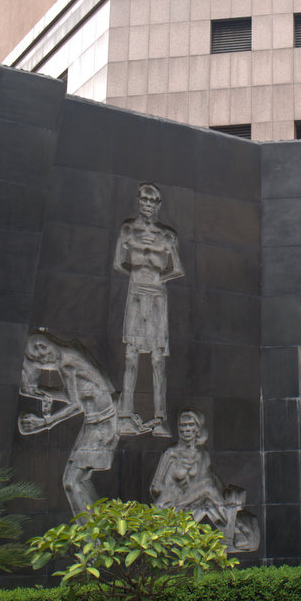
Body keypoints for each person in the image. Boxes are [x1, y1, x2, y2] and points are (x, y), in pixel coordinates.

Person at [17, 331, 119, 515]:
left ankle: (93, 530)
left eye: (41, 347)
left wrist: (44, 423)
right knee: (77, 481)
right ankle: (97, 525)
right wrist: (45, 392)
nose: (42, 355)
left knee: (72, 482)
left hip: (101, 424)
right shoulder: (72, 351)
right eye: (36, 354)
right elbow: (79, 395)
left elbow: (75, 405)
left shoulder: (67, 364)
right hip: (97, 423)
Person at [114, 183, 183, 437]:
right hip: (135, 295)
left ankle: (160, 417)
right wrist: (137, 274)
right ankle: (125, 414)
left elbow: (177, 269)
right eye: (144, 199)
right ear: (138, 201)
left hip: (156, 297)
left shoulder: (166, 235)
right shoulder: (128, 230)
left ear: (158, 205)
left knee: (157, 359)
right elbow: (118, 263)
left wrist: (156, 277)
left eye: (152, 201)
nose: (147, 204)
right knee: (131, 356)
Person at [150, 407, 259, 552]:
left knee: (210, 498)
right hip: (170, 503)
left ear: (198, 428)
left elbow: (212, 478)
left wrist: (228, 495)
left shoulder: (202, 452)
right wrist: (172, 492)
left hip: (194, 500)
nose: (186, 429)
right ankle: (237, 527)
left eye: (190, 425)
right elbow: (155, 487)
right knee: (208, 488)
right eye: (183, 425)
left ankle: (233, 531)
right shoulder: (171, 453)